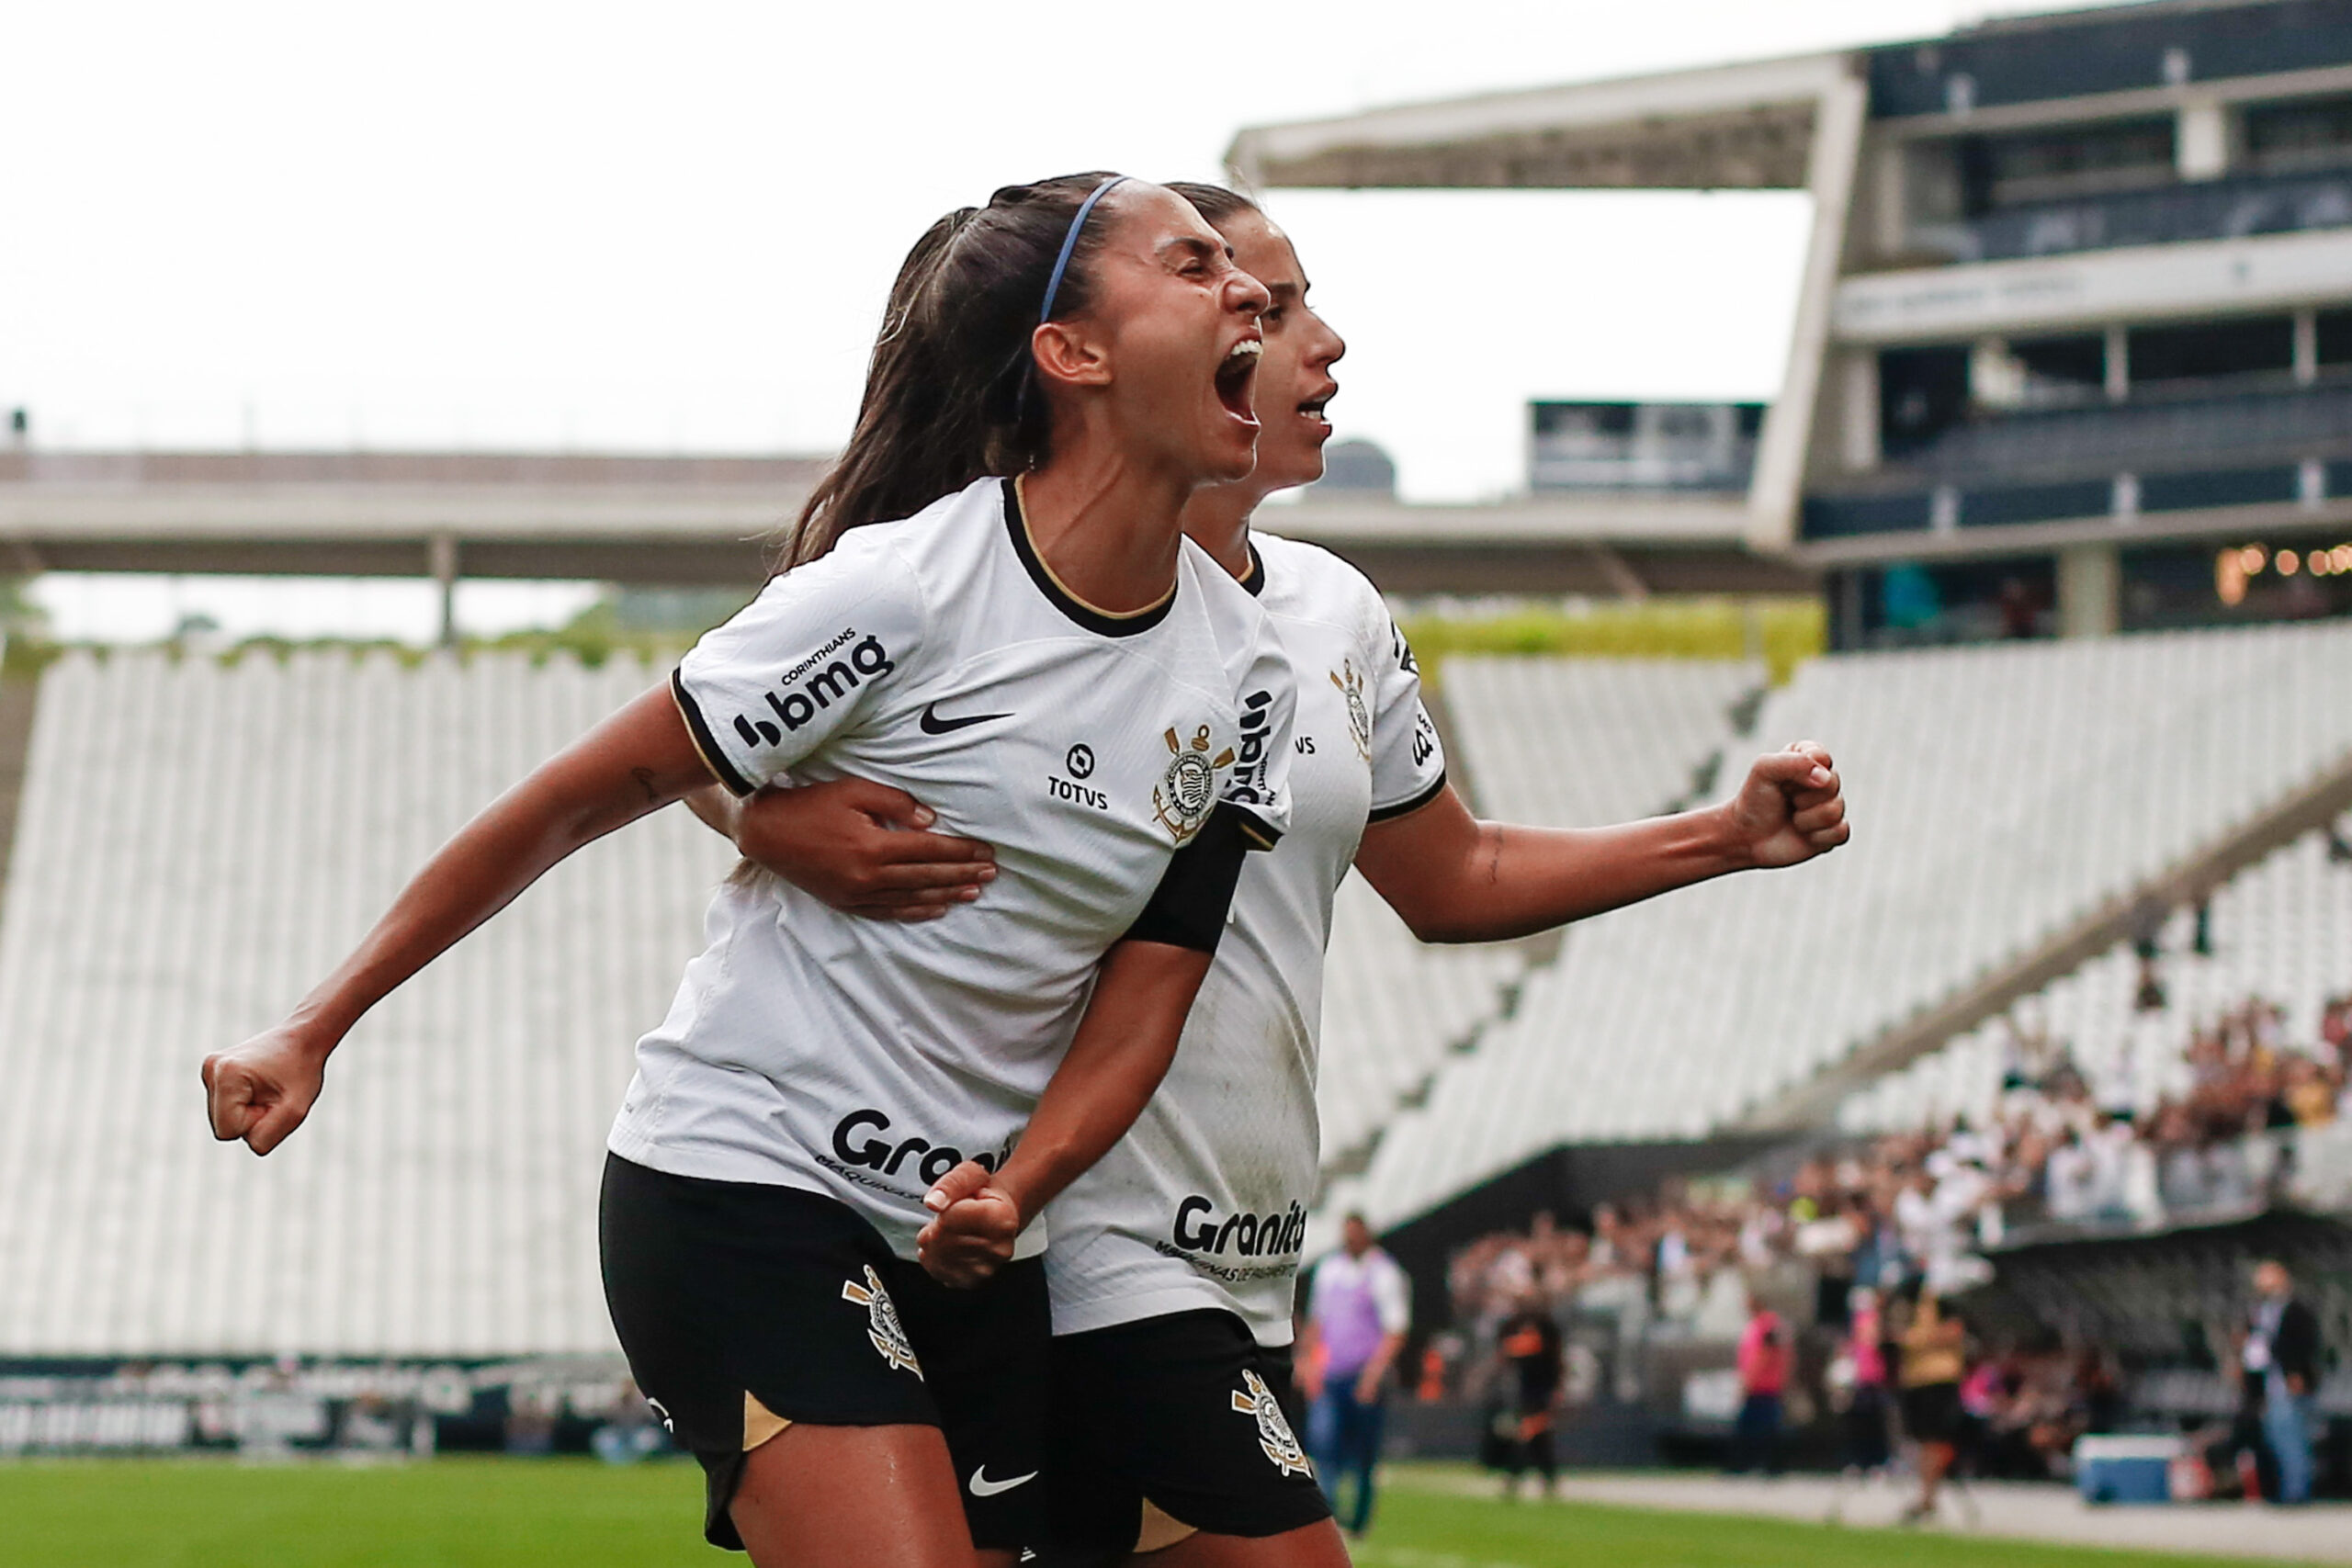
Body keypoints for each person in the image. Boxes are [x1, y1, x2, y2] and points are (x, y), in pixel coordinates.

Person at [699, 183, 1851, 1567]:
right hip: (1081, 1238)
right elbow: (702, 731)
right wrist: (756, 815)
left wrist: (1719, 835)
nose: (1319, 339)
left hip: (1240, 1256)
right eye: (1272, 299)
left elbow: (1454, 873)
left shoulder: (1329, 613)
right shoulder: (1004, 575)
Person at [200, 171, 1299, 1568]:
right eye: (1193, 264)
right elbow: (569, 799)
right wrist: (313, 1021)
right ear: (1071, 354)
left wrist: (1020, 1183)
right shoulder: (905, 590)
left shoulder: (1247, 670)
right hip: (741, 1178)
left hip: (969, 1231)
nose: (1249, 290)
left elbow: (1149, 993)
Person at [1299, 1213, 1410, 1536]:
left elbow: (1395, 1329)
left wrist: (1373, 1374)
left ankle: (1359, 1521)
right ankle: (1329, 1517)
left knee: (1364, 1453)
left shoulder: (1384, 1273)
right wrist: (1309, 1364)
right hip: (1332, 1373)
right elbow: (1316, 1323)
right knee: (1324, 1446)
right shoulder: (1329, 1270)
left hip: (1364, 1374)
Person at [2241, 1259, 2321, 1505]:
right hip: (2269, 1386)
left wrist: (2296, 1373)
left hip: (2289, 1384)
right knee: (2276, 1438)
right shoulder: (2260, 1311)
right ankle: (2283, 1489)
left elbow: (2303, 1344)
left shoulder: (2296, 1311)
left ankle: (2297, 1492)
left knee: (2293, 1439)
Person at [1894, 1287, 1968, 1526]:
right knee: (1923, 1441)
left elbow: (1954, 1332)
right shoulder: (1907, 1299)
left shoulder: (1944, 1300)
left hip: (1940, 1379)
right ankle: (1927, 1495)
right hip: (1916, 1381)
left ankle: (1928, 1496)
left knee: (1936, 1440)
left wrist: (1917, 1339)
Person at [1493, 1291, 1565, 1500]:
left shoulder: (1547, 1329)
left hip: (1542, 1392)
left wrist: (1557, 1389)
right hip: (1527, 1391)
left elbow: (1554, 1359)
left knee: (1527, 1435)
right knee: (1538, 1440)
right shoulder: (1517, 1326)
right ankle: (1548, 1480)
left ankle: (1513, 1480)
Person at [1729, 1292, 1788, 1476]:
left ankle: (1762, 1465)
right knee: (1752, 1427)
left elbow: (1764, 1355)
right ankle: (1751, 1464)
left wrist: (1748, 1380)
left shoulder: (1768, 1325)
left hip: (1763, 1386)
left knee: (1761, 1428)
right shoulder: (1757, 1325)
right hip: (1758, 1385)